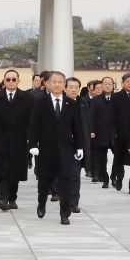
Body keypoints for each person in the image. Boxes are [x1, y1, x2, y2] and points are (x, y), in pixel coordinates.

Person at [28, 71, 83, 225]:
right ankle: (41, 203)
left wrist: (79, 147)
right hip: (46, 149)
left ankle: (65, 213)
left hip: (65, 149)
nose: (57, 85)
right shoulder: (40, 101)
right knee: (44, 181)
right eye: (54, 82)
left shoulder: (71, 103)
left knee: (66, 181)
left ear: (64, 85)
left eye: (60, 82)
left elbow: (76, 126)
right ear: (48, 84)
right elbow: (34, 125)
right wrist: (33, 144)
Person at [0, 70, 34, 211]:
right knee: (2, 169)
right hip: (1, 137)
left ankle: (13, 197)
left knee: (16, 169)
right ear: (4, 81)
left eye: (14, 79)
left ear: (18, 81)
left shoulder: (26, 98)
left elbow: (31, 121)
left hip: (20, 138)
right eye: (8, 79)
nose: (11, 82)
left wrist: (30, 137)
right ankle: (3, 198)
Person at [109, 72, 130, 193]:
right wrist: (113, 131)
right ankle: (119, 178)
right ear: (123, 83)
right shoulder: (116, 97)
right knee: (119, 159)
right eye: (127, 81)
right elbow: (112, 115)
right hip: (121, 134)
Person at [64, 77, 92, 212]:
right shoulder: (60, 103)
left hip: (78, 145)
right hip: (63, 144)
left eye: (76, 87)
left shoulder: (83, 103)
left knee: (75, 175)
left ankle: (73, 202)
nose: (74, 89)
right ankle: (61, 196)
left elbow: (86, 125)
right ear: (65, 88)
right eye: (71, 86)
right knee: (63, 175)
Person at [89, 77, 114, 187]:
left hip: (115, 133)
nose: (108, 85)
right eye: (105, 84)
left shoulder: (117, 99)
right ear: (102, 85)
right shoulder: (96, 100)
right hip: (100, 132)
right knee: (101, 159)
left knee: (118, 158)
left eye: (110, 83)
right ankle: (105, 178)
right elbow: (92, 117)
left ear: (113, 85)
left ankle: (115, 177)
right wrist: (92, 130)